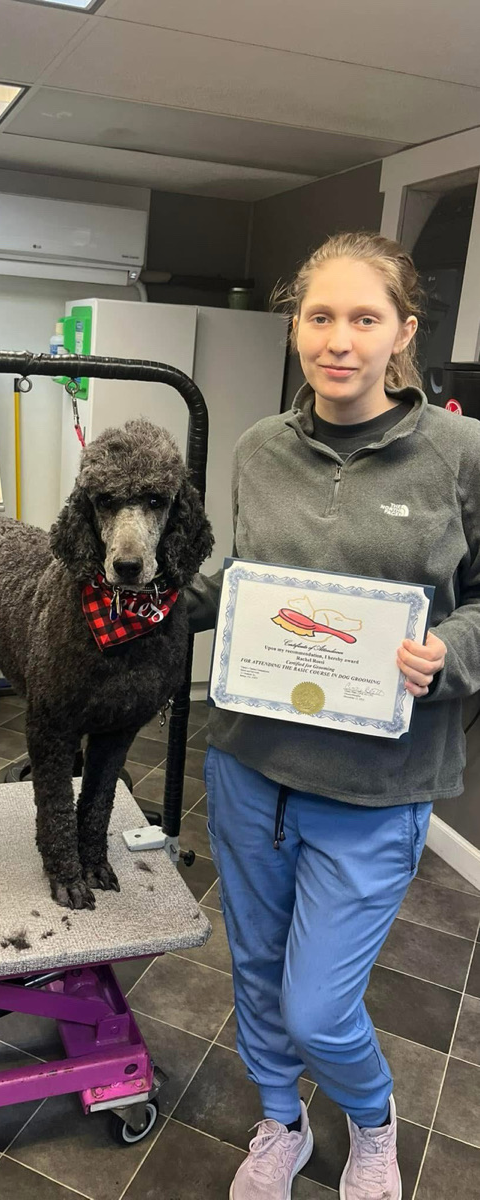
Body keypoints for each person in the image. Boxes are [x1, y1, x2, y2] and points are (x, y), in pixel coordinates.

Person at [187, 231, 480, 1200]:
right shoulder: (258, 449)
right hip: (249, 767)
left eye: (364, 318)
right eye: (319, 317)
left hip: (375, 786)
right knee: (256, 973)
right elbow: (247, 575)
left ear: (403, 331)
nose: (338, 340)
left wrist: (449, 653)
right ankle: (281, 1120)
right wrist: (164, 602)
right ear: (295, 327)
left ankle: (372, 1120)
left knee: (318, 1007)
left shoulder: (461, 455)